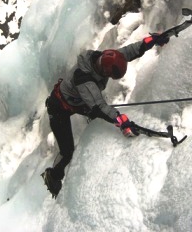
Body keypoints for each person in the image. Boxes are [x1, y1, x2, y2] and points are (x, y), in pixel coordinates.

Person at [41, 32, 170, 198]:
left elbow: (128, 52)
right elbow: (98, 106)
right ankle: (52, 176)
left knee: (100, 115)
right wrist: (120, 120)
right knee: (67, 151)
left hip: (78, 102)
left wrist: (149, 42)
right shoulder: (84, 78)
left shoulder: (105, 58)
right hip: (59, 107)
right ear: (104, 70)